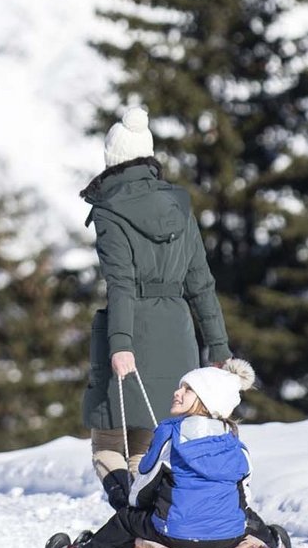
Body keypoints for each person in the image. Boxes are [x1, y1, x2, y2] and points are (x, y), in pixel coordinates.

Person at [80, 107, 230, 513]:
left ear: (112, 161)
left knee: (108, 444)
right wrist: (218, 348)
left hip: (132, 334)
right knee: (149, 442)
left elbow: (122, 285)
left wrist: (120, 343)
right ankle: (149, 529)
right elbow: (201, 282)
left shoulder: (111, 211)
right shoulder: (180, 207)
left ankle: (132, 521)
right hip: (179, 335)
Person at [46, 361, 292, 548]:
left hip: (176, 536)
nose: (178, 392)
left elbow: (143, 487)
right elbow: (243, 496)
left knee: (127, 519)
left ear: (206, 400)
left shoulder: (170, 436)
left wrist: (142, 507)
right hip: (228, 538)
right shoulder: (236, 446)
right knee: (244, 515)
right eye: (180, 387)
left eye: (188, 390)